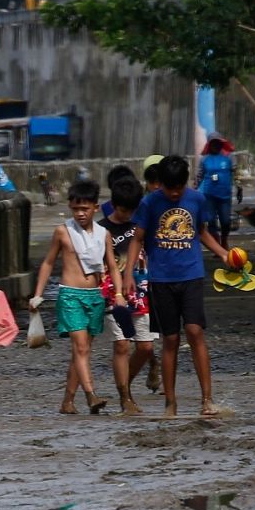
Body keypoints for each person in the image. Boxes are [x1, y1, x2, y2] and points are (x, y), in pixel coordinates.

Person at [124, 155, 232, 418]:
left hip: (191, 275)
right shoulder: (150, 203)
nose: (173, 194)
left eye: (178, 188)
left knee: (195, 331)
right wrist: (128, 274)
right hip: (161, 279)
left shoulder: (196, 199)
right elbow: (137, 239)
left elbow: (201, 232)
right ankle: (170, 402)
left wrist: (223, 254)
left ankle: (207, 400)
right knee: (170, 339)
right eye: (168, 188)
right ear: (160, 183)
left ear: (185, 183)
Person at [30, 179, 123, 415]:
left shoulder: (103, 234)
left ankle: (67, 402)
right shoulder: (63, 231)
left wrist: (120, 294)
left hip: (95, 296)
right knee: (81, 348)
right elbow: (49, 262)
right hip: (70, 295)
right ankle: (91, 395)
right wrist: (38, 295)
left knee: (81, 351)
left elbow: (112, 266)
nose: (80, 214)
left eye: (85, 209)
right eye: (75, 209)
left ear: (96, 207)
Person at [99, 175, 156, 415]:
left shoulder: (142, 224)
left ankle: (125, 384)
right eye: (123, 211)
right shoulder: (101, 229)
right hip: (113, 292)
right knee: (122, 345)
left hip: (143, 291)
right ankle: (125, 397)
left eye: (132, 211)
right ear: (114, 206)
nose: (128, 216)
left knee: (145, 347)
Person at [194, 133, 235, 245]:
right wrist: (194, 190)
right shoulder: (204, 160)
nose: (215, 145)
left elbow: (236, 173)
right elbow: (199, 176)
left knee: (225, 221)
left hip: (225, 196)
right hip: (209, 196)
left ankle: (224, 240)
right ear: (209, 144)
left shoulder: (229, 158)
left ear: (221, 144)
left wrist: (239, 187)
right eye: (213, 143)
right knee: (211, 221)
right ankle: (216, 244)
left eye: (217, 143)